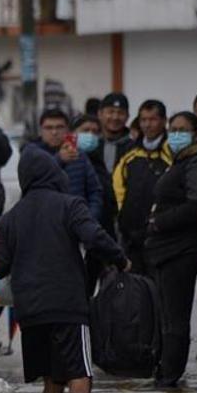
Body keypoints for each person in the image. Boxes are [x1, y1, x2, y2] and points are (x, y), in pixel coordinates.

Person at [0, 147, 128, 393]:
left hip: (29, 312)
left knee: (51, 383)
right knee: (80, 378)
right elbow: (94, 236)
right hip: (68, 308)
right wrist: (120, 259)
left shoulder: (10, 219)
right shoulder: (70, 205)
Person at [144, 111, 197, 389]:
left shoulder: (196, 163)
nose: (175, 134)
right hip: (168, 250)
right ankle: (166, 371)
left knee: (175, 319)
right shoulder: (183, 161)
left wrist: (160, 222)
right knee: (168, 317)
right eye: (172, 129)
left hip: (180, 251)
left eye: (182, 129)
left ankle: (169, 376)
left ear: (196, 134)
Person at [113, 99, 172, 277]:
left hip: (160, 235)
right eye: (143, 119)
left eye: (152, 119)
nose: (147, 124)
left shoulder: (171, 152)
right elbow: (118, 186)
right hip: (131, 237)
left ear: (163, 121)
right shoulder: (130, 153)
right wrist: (123, 215)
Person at [32, 109, 104, 224]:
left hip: (77, 223)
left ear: (67, 130)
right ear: (41, 131)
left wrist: (90, 218)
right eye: (49, 128)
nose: (54, 132)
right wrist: (58, 160)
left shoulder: (79, 155)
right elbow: (33, 184)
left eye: (59, 127)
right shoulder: (32, 154)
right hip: (44, 225)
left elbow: (95, 191)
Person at [73, 114, 119, 296]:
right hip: (79, 239)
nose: (91, 135)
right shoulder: (68, 161)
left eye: (95, 131)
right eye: (85, 131)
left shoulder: (98, 163)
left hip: (99, 240)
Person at [98, 92, 133, 175]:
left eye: (120, 113)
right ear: (100, 114)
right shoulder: (91, 145)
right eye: (110, 112)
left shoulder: (133, 147)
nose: (115, 117)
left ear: (127, 116)